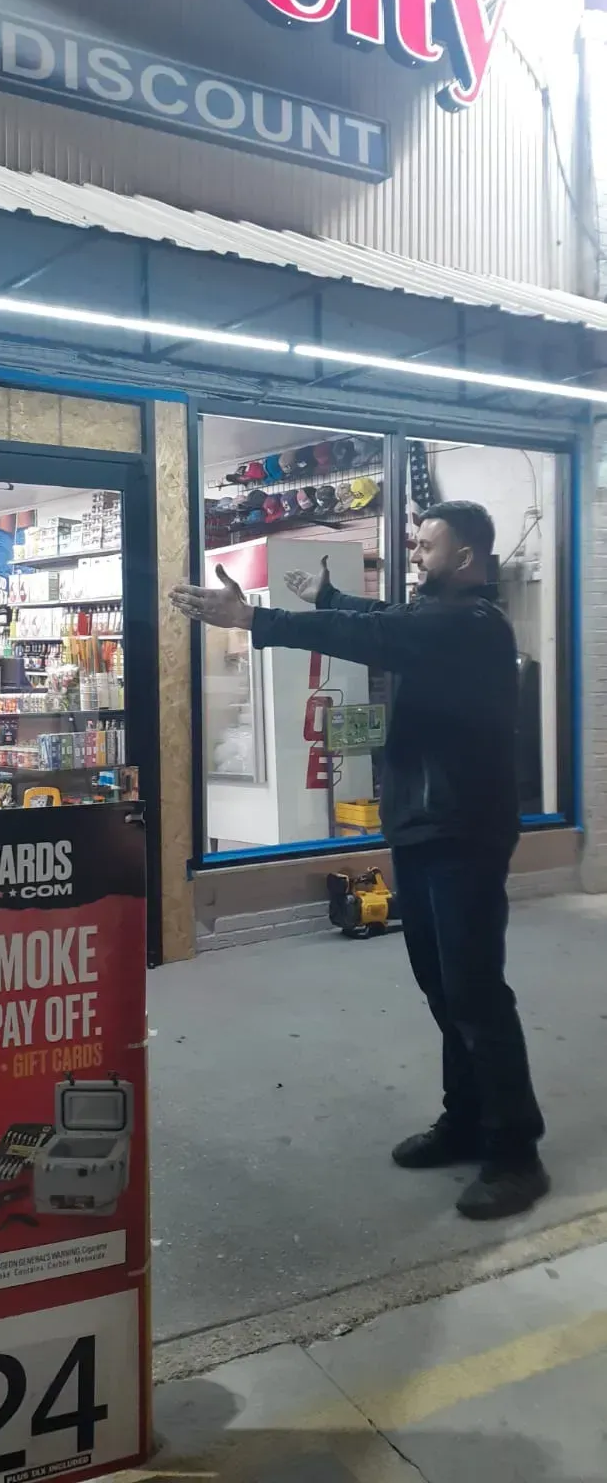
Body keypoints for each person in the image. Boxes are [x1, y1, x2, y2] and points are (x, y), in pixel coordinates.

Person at [171, 501, 548, 1221]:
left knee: (474, 994)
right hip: (422, 827)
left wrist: (254, 618)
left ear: (465, 556)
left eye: (427, 544)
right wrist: (331, 597)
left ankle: (515, 1152)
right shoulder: (434, 618)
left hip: (463, 833)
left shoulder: (472, 625)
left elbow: (378, 633)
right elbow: (382, 620)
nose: (415, 552)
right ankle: (467, 1119)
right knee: (442, 989)